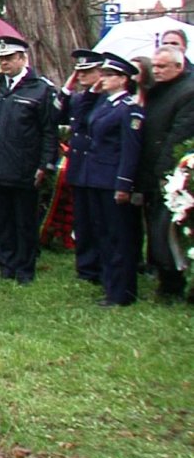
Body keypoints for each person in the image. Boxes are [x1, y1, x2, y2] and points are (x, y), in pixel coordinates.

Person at [0, 37, 60, 285]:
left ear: (23, 59)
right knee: (0, 219)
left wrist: (45, 164)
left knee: (24, 221)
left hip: (24, 165)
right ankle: (6, 264)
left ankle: (25, 268)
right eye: (0, 59)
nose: (5, 64)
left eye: (10, 58)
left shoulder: (40, 89)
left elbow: (49, 131)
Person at [77, 54, 144, 306]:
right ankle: (110, 286)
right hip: (94, 178)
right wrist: (92, 93)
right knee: (102, 235)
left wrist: (124, 183)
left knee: (118, 238)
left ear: (123, 80)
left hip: (112, 180)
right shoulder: (104, 104)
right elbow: (83, 121)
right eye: (102, 75)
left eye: (108, 75)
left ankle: (122, 292)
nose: (102, 79)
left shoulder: (129, 109)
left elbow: (130, 150)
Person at [134, 45, 194, 299]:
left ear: (179, 67)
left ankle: (174, 284)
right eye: (155, 66)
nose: (156, 71)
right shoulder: (155, 91)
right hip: (150, 173)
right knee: (156, 232)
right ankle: (165, 279)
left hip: (172, 177)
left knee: (167, 232)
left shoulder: (188, 92)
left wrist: (162, 173)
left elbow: (177, 136)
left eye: (162, 66)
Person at [60, 49, 106, 284]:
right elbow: (59, 113)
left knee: (100, 222)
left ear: (101, 73)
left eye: (88, 71)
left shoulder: (107, 99)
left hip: (98, 169)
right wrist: (67, 88)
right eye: (79, 71)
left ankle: (100, 266)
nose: (81, 76)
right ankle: (86, 266)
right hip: (80, 167)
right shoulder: (79, 97)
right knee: (83, 221)